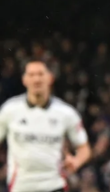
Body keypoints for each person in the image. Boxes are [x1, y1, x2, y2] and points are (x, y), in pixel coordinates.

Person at [0, 60, 91, 192]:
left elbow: (84, 148)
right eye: (31, 75)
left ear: (50, 78)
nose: (36, 79)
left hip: (54, 185)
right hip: (20, 186)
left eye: (41, 74)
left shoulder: (66, 113)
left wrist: (76, 162)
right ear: (24, 80)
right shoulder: (10, 110)